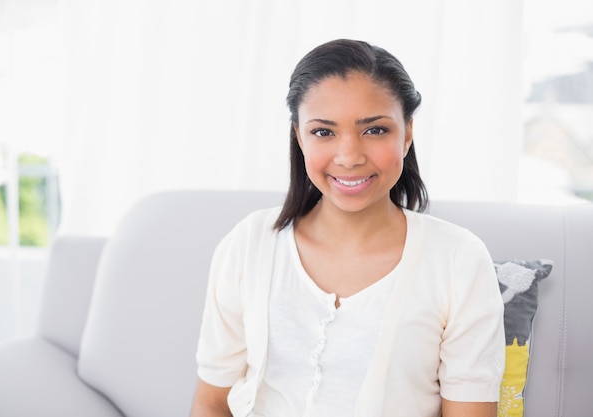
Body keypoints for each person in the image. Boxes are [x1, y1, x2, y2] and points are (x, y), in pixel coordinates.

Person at [190, 39, 505, 417]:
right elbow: (211, 402)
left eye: (374, 131)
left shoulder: (458, 260)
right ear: (299, 137)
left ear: (407, 134)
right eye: (324, 132)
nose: (349, 156)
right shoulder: (249, 243)